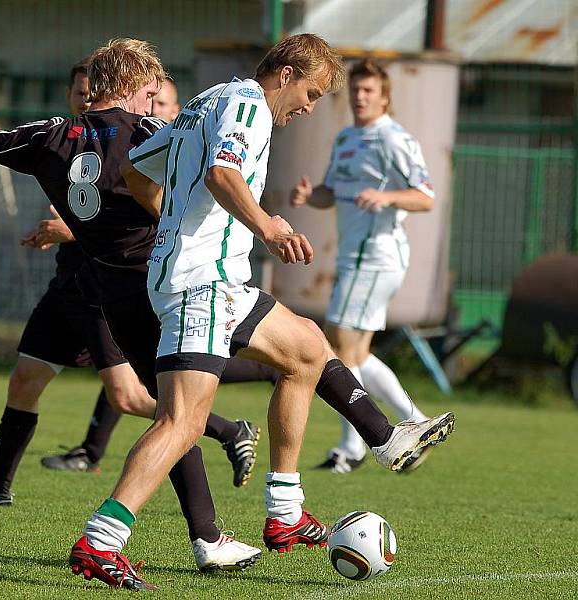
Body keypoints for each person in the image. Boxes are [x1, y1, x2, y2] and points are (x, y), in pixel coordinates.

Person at [0, 38, 263, 574]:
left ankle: (210, 525)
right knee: (178, 412)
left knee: (172, 411)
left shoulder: (49, 135)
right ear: (133, 88)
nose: (152, 105)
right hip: (151, 284)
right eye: (149, 94)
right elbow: (203, 179)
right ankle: (203, 528)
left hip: (109, 291)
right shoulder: (148, 135)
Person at [69, 33, 455, 591]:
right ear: (287, 72)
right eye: (313, 92)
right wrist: (267, 225)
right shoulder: (249, 106)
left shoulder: (209, 100)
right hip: (202, 282)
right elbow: (222, 175)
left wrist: (177, 224)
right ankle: (99, 543)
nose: (310, 108)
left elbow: (136, 168)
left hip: (216, 277)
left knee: (305, 348)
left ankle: (288, 510)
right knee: (182, 423)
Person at [42, 74, 277, 475]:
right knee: (134, 382)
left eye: (164, 104)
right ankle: (38, 471)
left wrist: (74, 227)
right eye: (152, 102)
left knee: (149, 396)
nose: (155, 111)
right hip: (86, 282)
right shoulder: (116, 142)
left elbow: (180, 203)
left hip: (151, 277)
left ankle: (232, 426)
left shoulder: (173, 140)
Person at [290, 59, 435, 474]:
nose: (360, 96)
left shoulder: (393, 139)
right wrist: (309, 195)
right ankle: (416, 420)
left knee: (340, 348)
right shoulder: (346, 138)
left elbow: (425, 196)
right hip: (355, 255)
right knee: (356, 351)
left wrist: (388, 198)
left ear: (384, 96)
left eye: (369, 90)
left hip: (378, 255)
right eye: (356, 89)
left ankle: (350, 450)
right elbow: (330, 194)